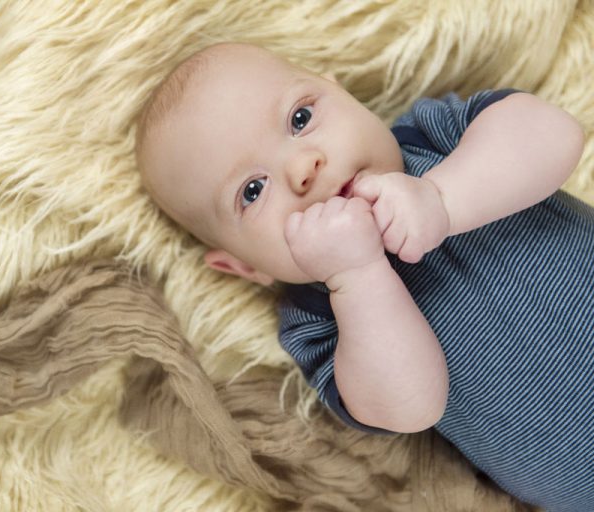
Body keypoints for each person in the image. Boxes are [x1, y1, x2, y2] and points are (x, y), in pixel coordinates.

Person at [135, 42, 593, 510]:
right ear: (244, 267)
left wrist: (442, 198)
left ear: (343, 93)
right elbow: (412, 408)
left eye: (299, 120)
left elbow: (555, 134)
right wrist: (358, 274)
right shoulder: (318, 321)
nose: (302, 167)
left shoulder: (433, 140)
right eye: (252, 191)